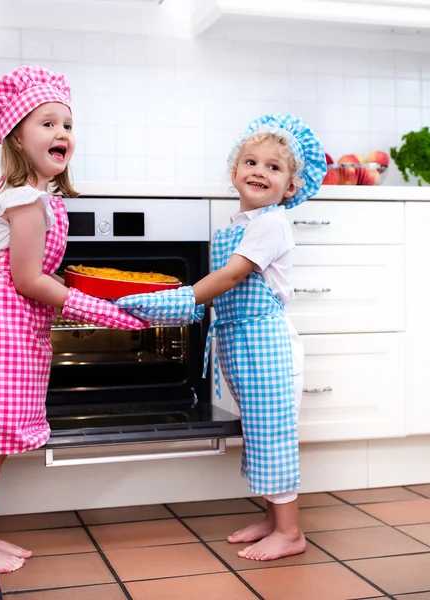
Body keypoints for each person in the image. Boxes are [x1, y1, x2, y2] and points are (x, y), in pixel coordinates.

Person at [0, 66, 145, 574]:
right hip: (0, 325)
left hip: (14, 325)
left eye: (68, 124)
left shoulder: (44, 199)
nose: (62, 133)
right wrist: (100, 311)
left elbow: (44, 274)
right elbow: (30, 281)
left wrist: (102, 297)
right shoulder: (25, 201)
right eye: (47, 123)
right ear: (18, 136)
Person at [118, 113, 327, 562]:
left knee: (272, 434)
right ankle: (274, 520)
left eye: (274, 167)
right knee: (258, 431)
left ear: (291, 187)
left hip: (264, 345)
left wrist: (177, 300)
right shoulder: (238, 224)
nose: (259, 171)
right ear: (234, 172)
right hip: (241, 344)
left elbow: (232, 276)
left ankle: (291, 532)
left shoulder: (271, 223)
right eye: (250, 161)